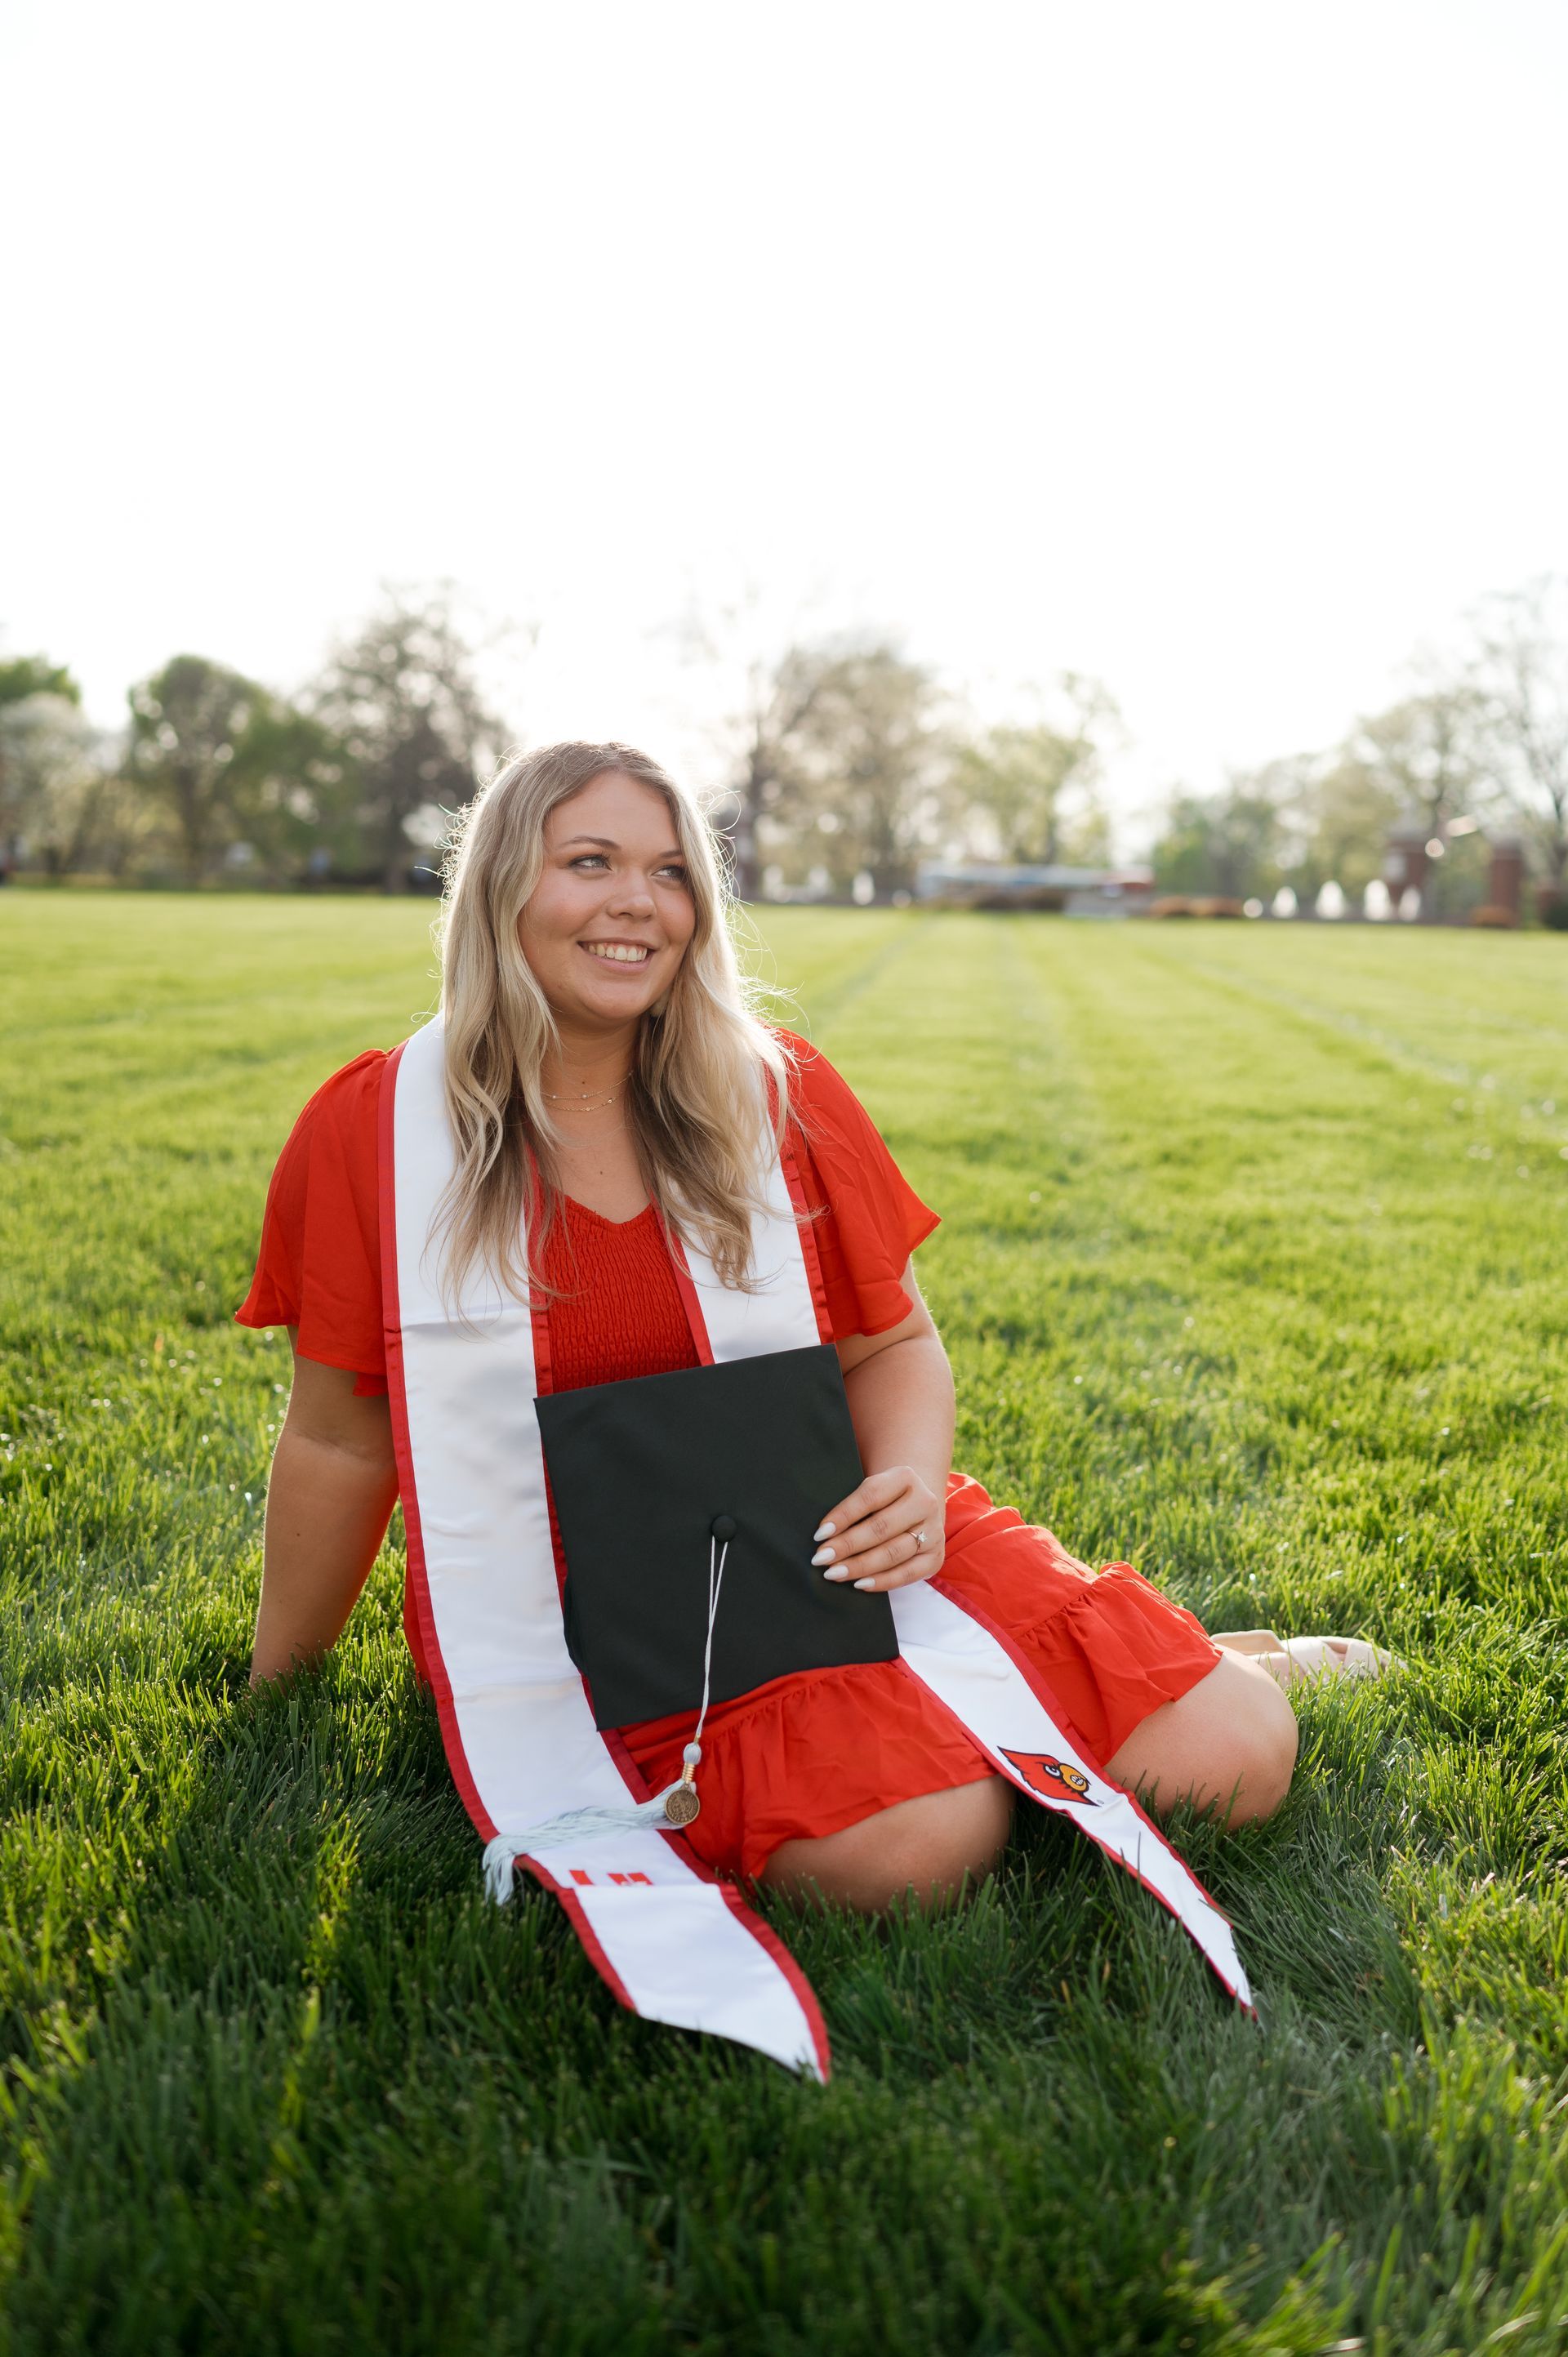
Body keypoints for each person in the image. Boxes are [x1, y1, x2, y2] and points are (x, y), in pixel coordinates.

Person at [239, 741, 1346, 1917]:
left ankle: (1225, 1670)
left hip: (834, 1537)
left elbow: (896, 1345)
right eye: (590, 861)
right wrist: (276, 1693)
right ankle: (1009, 1728)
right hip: (598, 1609)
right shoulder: (381, 1133)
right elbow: (340, 1443)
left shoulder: (773, 1095)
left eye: (671, 873)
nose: (636, 902)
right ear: (502, 885)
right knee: (909, 1855)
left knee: (1234, 1759)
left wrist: (913, 1488)